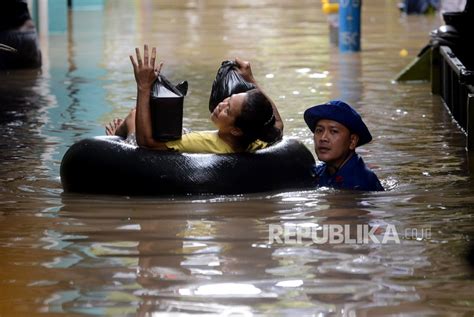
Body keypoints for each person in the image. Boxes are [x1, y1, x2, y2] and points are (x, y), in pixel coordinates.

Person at [106, 44, 283, 154]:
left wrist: (143, 87)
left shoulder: (205, 144)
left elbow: (147, 144)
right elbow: (277, 124)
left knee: (134, 114)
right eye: (227, 100)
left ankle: (115, 138)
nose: (221, 104)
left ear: (236, 130)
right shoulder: (256, 140)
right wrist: (250, 80)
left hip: (141, 149)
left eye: (227, 110)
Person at [303, 100, 384, 191]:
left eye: (334, 131)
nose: (323, 138)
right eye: (319, 130)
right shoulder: (319, 172)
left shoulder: (360, 184)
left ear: (352, 141)